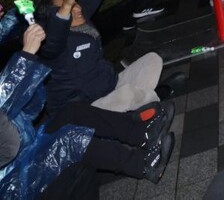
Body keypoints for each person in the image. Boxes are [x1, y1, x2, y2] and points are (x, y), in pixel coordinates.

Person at [0, 19, 175, 197]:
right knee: (69, 142)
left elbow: (28, 110)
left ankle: (143, 134)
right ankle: (143, 164)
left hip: (21, 152)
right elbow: (10, 143)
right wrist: (26, 56)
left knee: (71, 112)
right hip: (12, 185)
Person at [36, 0, 164, 114]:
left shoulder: (81, 15)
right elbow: (53, 41)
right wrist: (66, 6)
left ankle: (138, 104)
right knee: (128, 95)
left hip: (112, 85)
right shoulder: (51, 43)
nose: (75, 9)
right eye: (67, 7)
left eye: (74, 3)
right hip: (86, 108)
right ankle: (146, 109)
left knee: (152, 60)